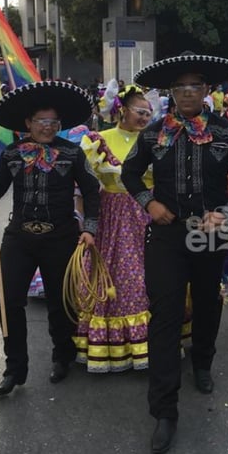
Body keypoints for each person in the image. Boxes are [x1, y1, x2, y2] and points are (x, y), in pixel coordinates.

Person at [121, 53, 228, 454]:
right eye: (179, 87)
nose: (186, 93)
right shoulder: (152, 134)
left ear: (207, 91)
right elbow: (131, 173)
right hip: (166, 234)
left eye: (194, 87)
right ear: (171, 93)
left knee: (206, 303)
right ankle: (164, 409)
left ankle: (202, 361)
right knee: (164, 313)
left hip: (209, 235)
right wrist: (149, 202)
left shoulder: (227, 132)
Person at [0, 81, 101, 396]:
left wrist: (89, 228)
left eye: (52, 123)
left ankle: (62, 356)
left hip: (61, 237)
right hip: (19, 237)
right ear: (28, 124)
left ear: (59, 125)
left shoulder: (72, 153)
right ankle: (14, 368)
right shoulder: (12, 153)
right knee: (7, 301)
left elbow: (91, 191)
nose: (47, 128)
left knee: (62, 302)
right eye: (41, 122)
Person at [75, 86, 158, 372]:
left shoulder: (155, 139)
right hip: (112, 218)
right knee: (114, 279)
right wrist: (87, 225)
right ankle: (114, 345)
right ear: (122, 109)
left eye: (149, 112)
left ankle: (150, 343)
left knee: (150, 276)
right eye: (140, 111)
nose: (145, 117)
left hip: (148, 213)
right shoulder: (99, 140)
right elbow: (84, 188)